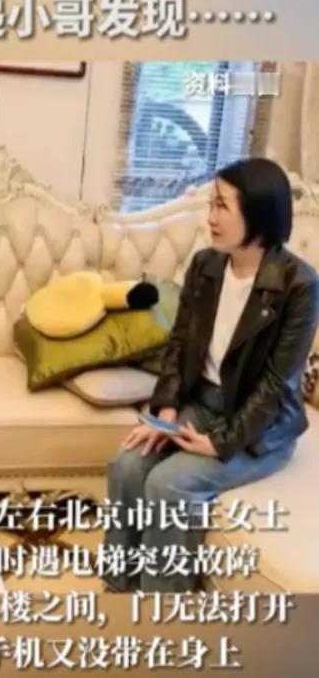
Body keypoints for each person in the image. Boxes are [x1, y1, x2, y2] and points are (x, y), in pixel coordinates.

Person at [105, 158, 319, 593]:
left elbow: (275, 385)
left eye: (222, 206)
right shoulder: (206, 265)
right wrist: (166, 412)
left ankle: (165, 609)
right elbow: (179, 344)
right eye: (211, 204)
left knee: (168, 484)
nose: (211, 217)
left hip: (260, 427)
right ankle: (119, 588)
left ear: (257, 213)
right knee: (127, 465)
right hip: (201, 403)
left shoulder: (300, 284)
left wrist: (221, 442)